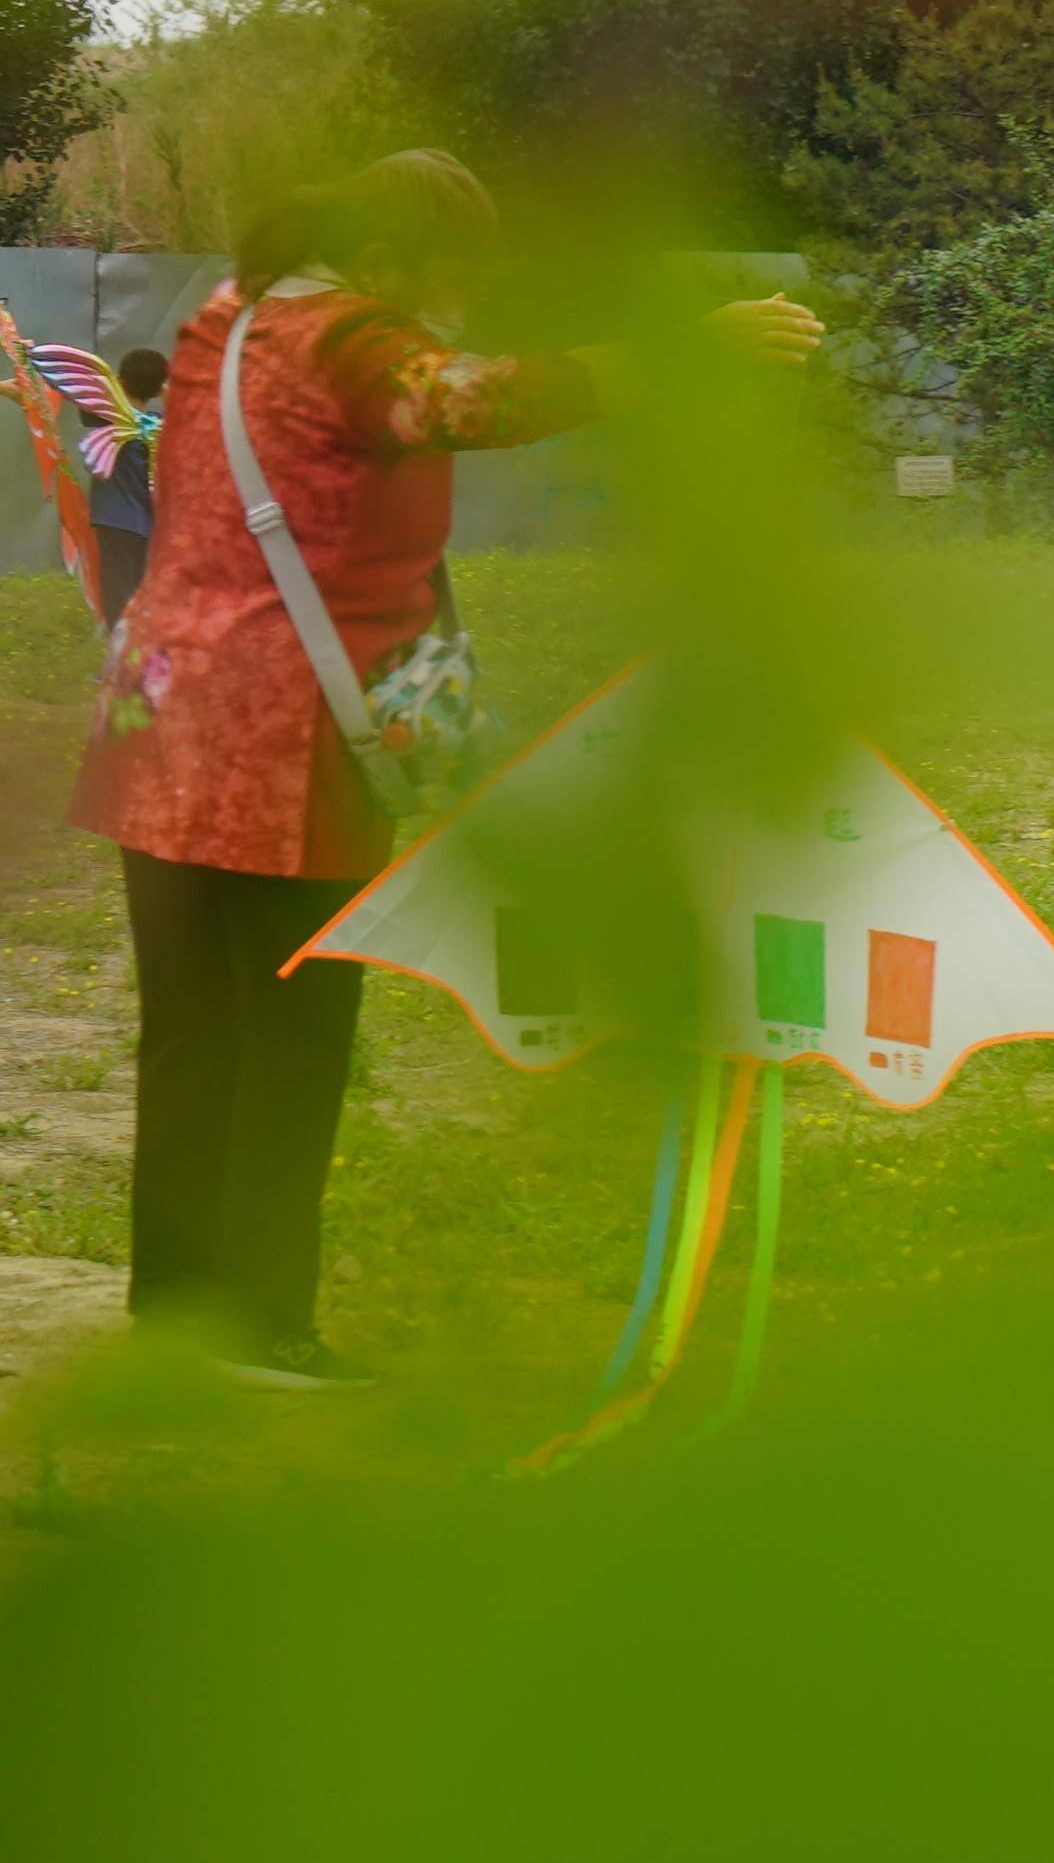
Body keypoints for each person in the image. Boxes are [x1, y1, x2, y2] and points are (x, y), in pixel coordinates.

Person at [71, 153, 818, 1383]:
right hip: (284, 736)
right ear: (382, 264)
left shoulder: (228, 317)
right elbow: (470, 401)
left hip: (160, 711)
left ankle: (177, 1305)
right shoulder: (353, 339)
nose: (452, 307)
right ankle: (260, 1322)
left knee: (190, 1029)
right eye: (444, 279)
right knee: (294, 1028)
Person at [86, 343, 166, 626]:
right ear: (159, 389)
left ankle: (121, 665)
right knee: (142, 591)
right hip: (149, 523)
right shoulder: (161, 425)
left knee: (117, 595)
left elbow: (87, 393)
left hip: (115, 519)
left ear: (120, 381)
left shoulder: (106, 417)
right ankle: (143, 660)